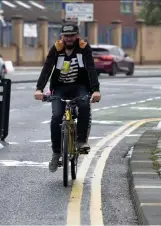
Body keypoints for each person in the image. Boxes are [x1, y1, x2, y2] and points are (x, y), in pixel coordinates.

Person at [34, 22, 101, 172]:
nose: (69, 39)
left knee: (84, 106)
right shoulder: (56, 49)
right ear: (62, 37)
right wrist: (39, 88)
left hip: (80, 86)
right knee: (57, 116)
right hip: (60, 88)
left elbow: (91, 69)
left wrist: (95, 90)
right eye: (66, 36)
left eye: (72, 36)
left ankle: (81, 141)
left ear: (77, 36)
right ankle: (56, 152)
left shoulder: (84, 48)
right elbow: (47, 69)